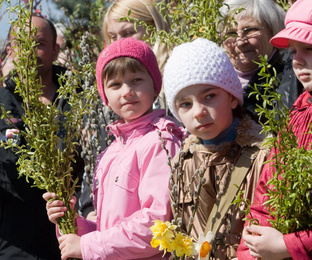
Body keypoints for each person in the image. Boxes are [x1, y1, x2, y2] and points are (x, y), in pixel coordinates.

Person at [43, 37, 185, 260]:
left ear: (155, 85)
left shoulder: (160, 140)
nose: (127, 91)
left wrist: (88, 246)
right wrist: (72, 223)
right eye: (115, 85)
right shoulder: (112, 151)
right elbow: (106, 228)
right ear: (105, 96)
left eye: (136, 80)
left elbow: (157, 225)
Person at [163, 38, 268, 259]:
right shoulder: (183, 162)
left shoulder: (262, 156)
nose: (198, 111)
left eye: (209, 96)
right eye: (185, 104)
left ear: (231, 96)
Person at [237, 0, 312, 259]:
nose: (298, 60)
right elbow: (268, 188)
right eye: (294, 51)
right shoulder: (299, 110)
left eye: (309, 47)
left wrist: (288, 246)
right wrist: (249, 249)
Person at [0, 15, 84, 259]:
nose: (29, 51)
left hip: (76, 239)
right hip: (16, 246)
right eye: (22, 44)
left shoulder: (81, 101)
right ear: (9, 50)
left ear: (56, 49)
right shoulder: (2, 104)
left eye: (38, 43)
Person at [78, 0, 172, 219]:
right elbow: (93, 170)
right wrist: (89, 212)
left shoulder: (177, 90)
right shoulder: (110, 100)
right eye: (112, 36)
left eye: (128, 33)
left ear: (154, 28)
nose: (118, 44)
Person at [219, 0, 304, 124]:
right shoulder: (213, 79)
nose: (240, 42)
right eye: (231, 33)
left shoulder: (294, 73)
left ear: (272, 31)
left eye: (249, 30)